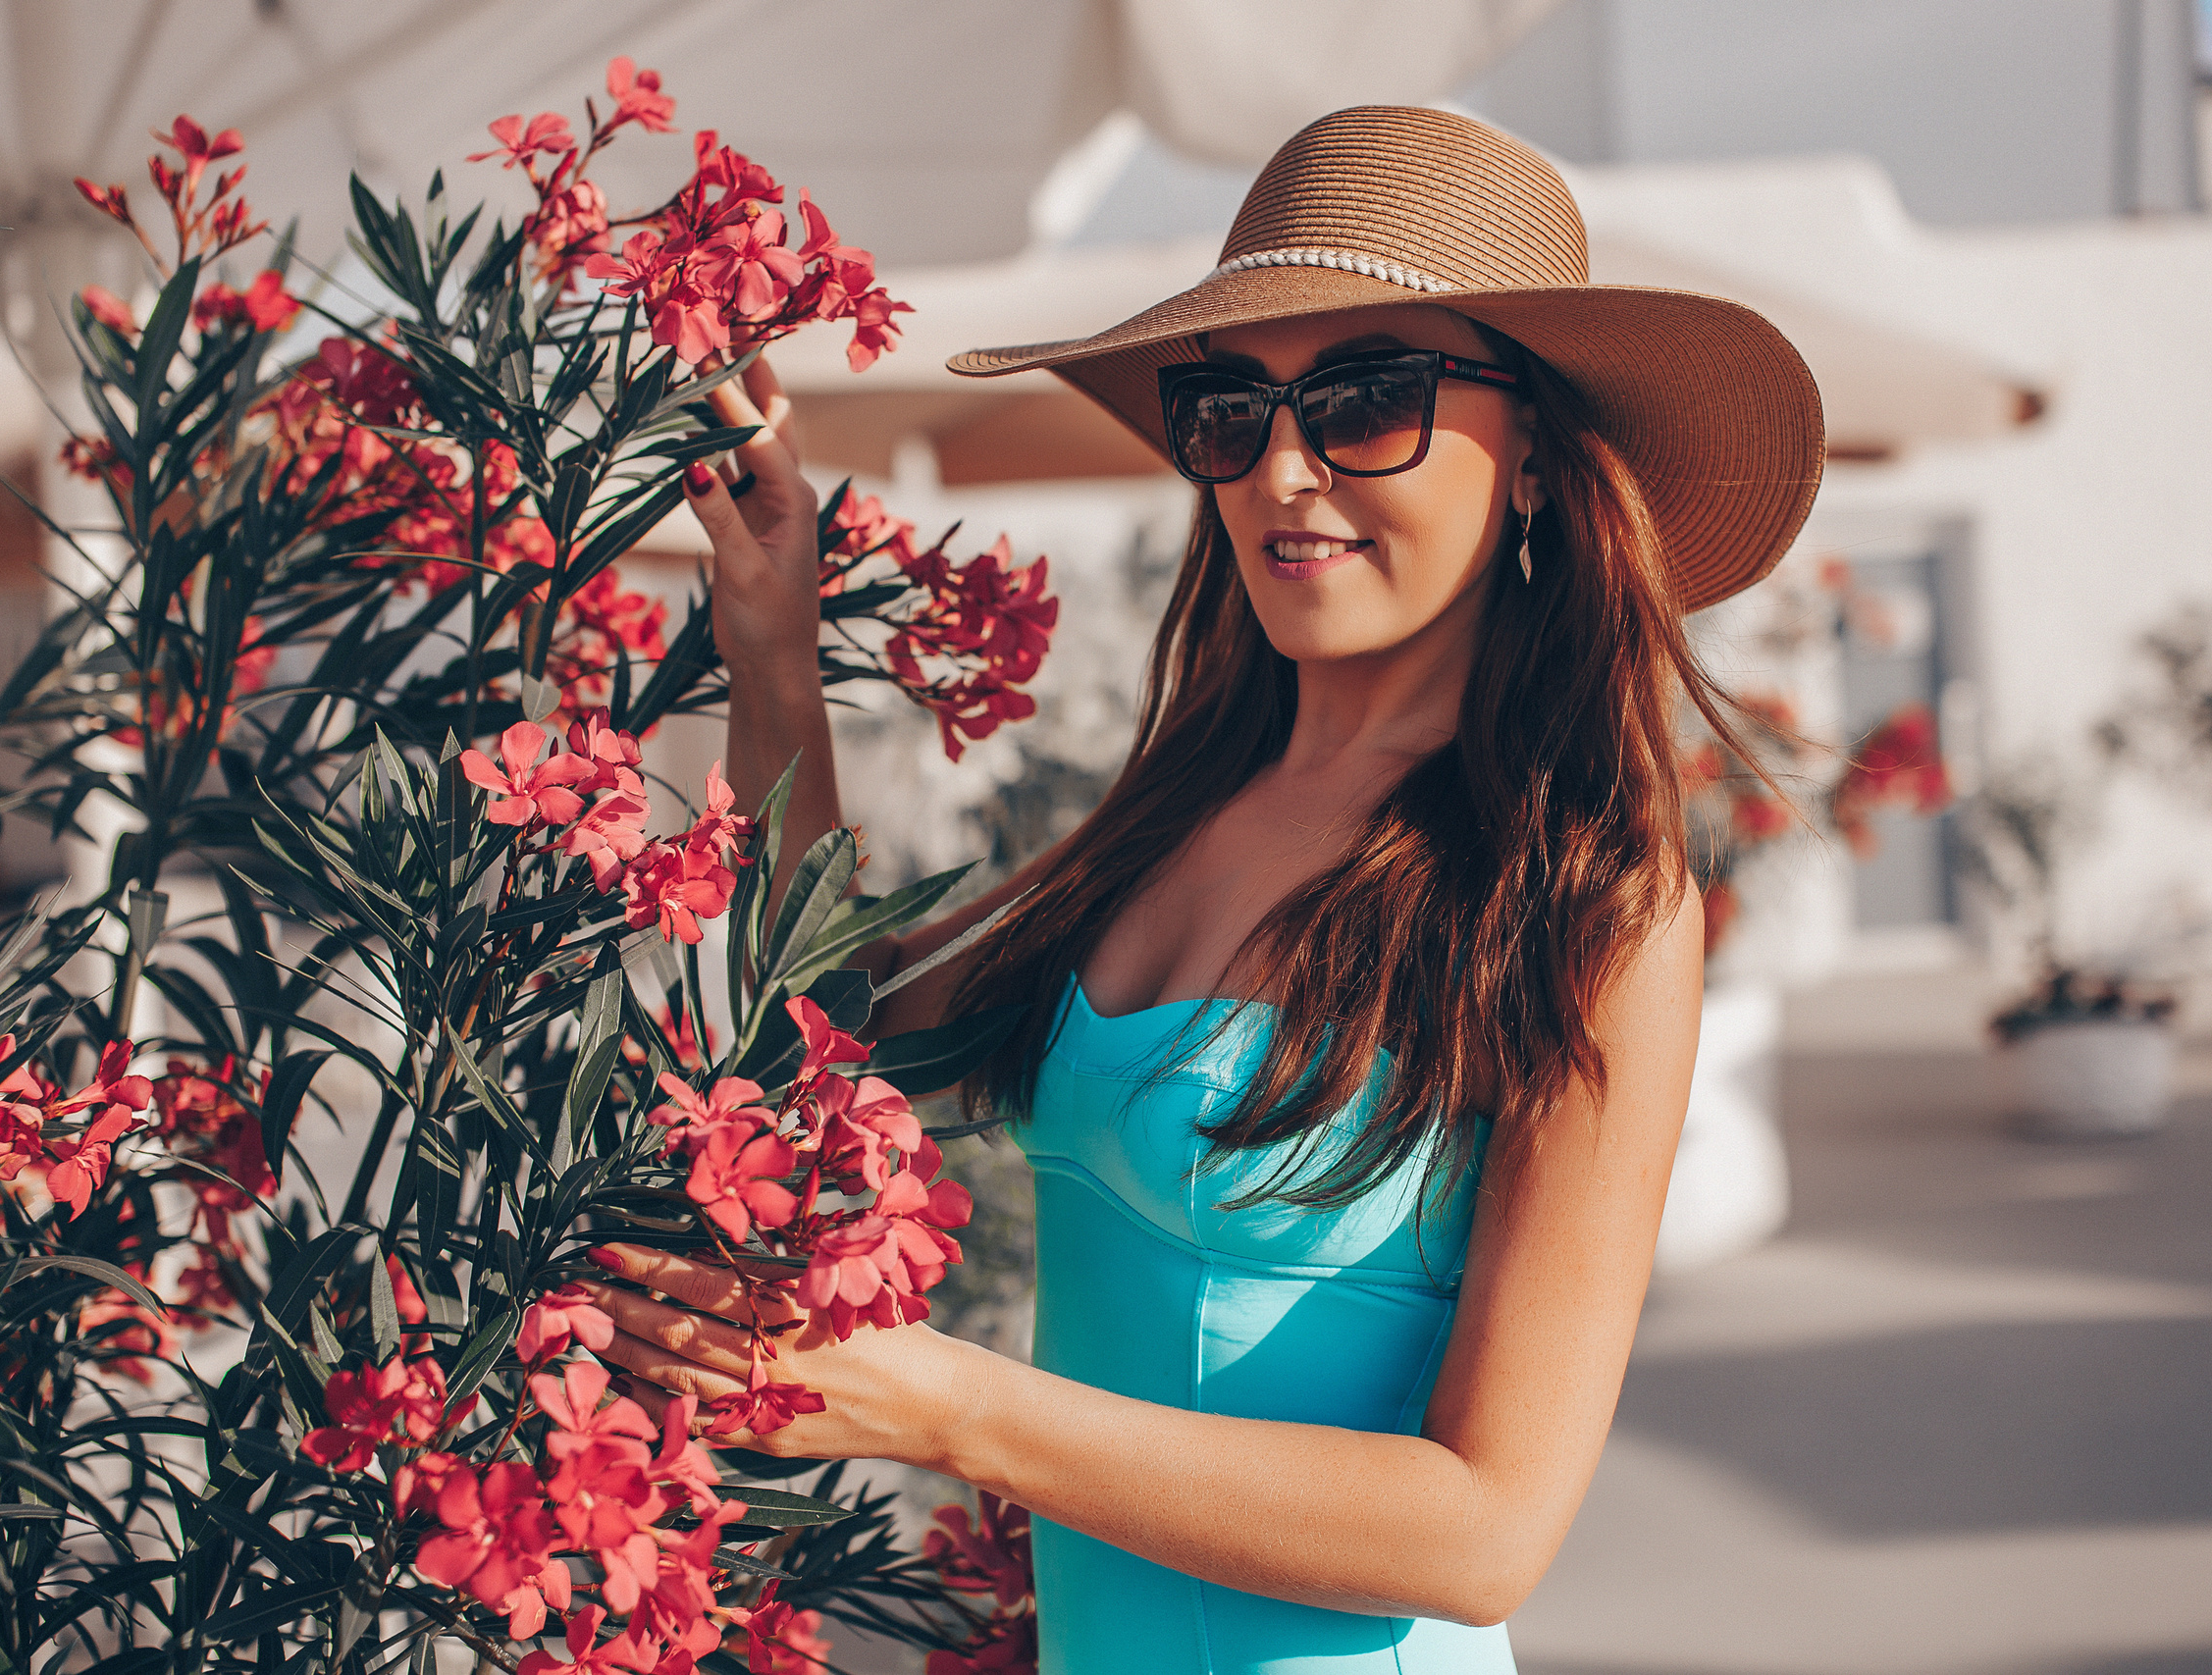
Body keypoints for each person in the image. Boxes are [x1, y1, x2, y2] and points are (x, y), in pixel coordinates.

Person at [577, 106, 1823, 1673]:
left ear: (1535, 468)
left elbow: (1489, 1526)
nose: (1283, 468)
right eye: (1231, 408)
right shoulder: (1176, 815)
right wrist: (772, 648)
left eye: (1368, 398)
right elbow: (839, 1030)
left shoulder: (1581, 906)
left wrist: (958, 1409)